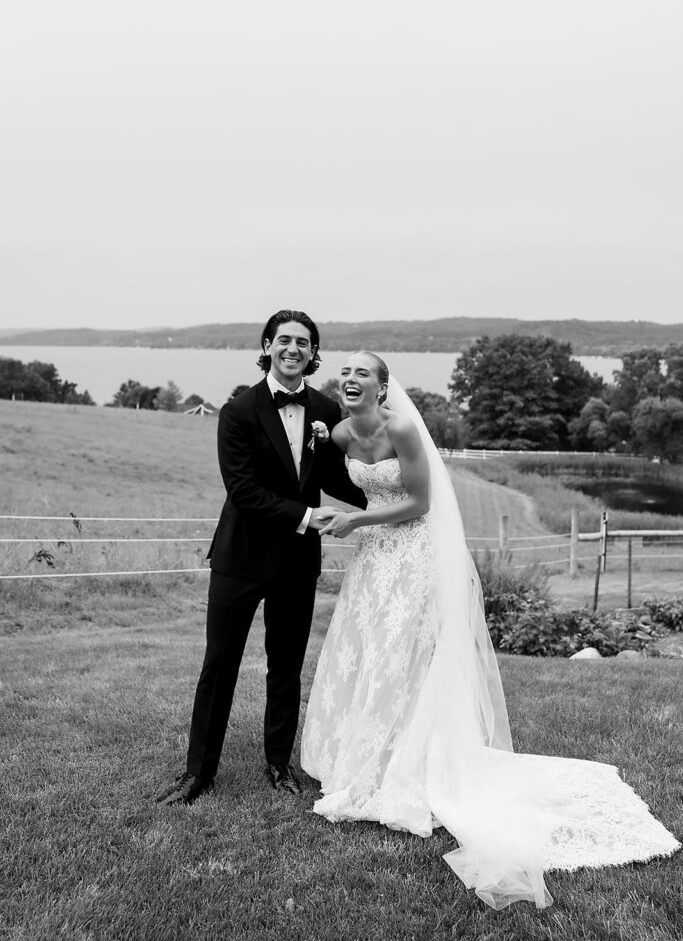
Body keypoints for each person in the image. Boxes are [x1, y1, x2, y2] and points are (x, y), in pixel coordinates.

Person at [301, 351, 680, 909]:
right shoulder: (336, 432)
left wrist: (356, 519)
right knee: (365, 651)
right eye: (347, 372)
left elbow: (420, 503)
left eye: (366, 373)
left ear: (384, 388)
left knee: (404, 656)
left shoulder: (403, 426)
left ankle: (406, 761)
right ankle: (362, 753)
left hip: (413, 553)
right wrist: (316, 442)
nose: (353, 379)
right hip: (373, 562)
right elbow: (342, 470)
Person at [156, 310, 366, 806]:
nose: (293, 349)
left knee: (287, 667)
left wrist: (383, 500)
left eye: (304, 343)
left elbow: (336, 478)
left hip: (297, 562)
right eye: (285, 340)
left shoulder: (326, 411)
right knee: (220, 664)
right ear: (268, 345)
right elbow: (244, 491)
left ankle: (278, 765)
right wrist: (308, 516)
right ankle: (198, 773)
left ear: (314, 354)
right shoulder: (238, 411)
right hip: (241, 557)